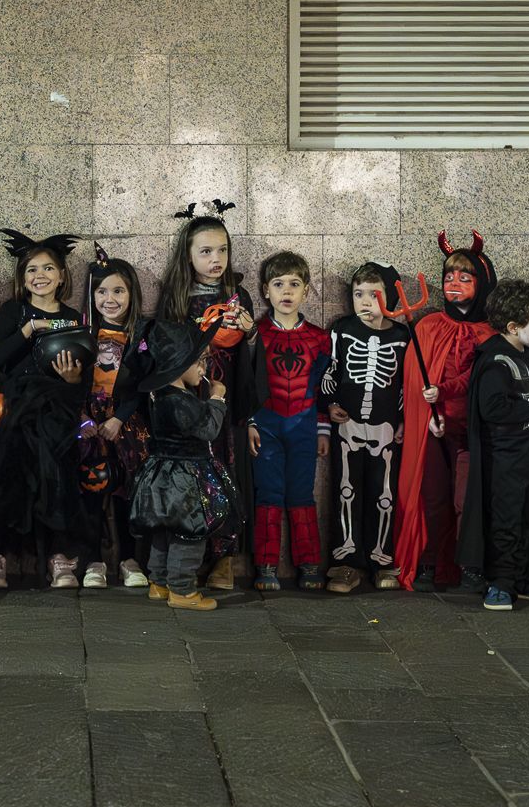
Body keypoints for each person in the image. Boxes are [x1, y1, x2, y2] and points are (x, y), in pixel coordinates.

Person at [156, 202, 255, 587]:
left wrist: (250, 334)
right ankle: (190, 552)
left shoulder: (237, 295)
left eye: (222, 250)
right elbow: (165, 350)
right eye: (206, 251)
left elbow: (248, 357)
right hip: (190, 400)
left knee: (225, 472)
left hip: (224, 398)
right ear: (189, 255)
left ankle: (224, 557)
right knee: (194, 476)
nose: (216, 259)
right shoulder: (177, 297)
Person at [0, 228, 90, 588]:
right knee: (10, 480)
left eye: (48, 268)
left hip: (57, 412)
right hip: (15, 410)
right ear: (22, 278)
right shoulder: (14, 311)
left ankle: (58, 558)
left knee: (56, 481)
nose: (40, 276)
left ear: (62, 275)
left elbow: (82, 375)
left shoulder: (73, 316)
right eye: (32, 270)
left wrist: (73, 379)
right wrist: (29, 328)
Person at [396, 230, 499, 592]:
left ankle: (468, 563)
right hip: (432, 431)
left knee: (465, 499)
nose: (453, 284)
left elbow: (481, 378)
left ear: (482, 282)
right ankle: (429, 561)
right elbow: (413, 379)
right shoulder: (428, 326)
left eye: (464, 278)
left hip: (470, 431)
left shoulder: (490, 334)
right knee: (433, 496)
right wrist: (426, 412)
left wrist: (444, 391)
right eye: (448, 277)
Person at [459, 279, 529, 611]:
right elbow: (493, 409)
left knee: (525, 519)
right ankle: (500, 583)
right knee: (505, 521)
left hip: (526, 454)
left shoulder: (527, 356)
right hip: (503, 458)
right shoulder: (495, 360)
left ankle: (519, 577)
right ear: (514, 326)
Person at [129, 317, 232, 613]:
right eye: (200, 361)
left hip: (161, 474)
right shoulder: (180, 401)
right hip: (184, 479)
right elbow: (208, 429)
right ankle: (183, 590)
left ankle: (159, 583)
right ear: (180, 363)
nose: (204, 368)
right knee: (189, 532)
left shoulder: (160, 395)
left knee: (164, 531)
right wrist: (217, 400)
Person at [242, 250, 330, 591]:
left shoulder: (319, 338)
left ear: (306, 291)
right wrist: (249, 421)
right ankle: (265, 566)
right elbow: (246, 382)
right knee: (269, 493)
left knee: (301, 494)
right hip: (266, 424)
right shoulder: (256, 334)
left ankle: (308, 563)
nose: (287, 292)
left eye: (295, 284)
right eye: (279, 285)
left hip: (305, 425)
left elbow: (324, 388)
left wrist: (323, 427)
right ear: (266, 290)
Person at [322, 263, 411, 593]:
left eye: (374, 295)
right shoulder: (342, 330)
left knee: (384, 492)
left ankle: (382, 559)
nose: (365, 301)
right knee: (346, 489)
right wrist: (329, 405)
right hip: (348, 426)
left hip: (386, 427)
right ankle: (346, 561)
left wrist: (404, 419)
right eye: (358, 294)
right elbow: (330, 372)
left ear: (390, 297)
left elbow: (405, 383)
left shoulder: (402, 337)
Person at [81, 248, 153, 588]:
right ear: (91, 295)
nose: (110, 299)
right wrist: (84, 420)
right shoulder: (83, 335)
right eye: (102, 291)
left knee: (127, 492)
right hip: (88, 426)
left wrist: (120, 418)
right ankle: (93, 561)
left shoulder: (141, 335)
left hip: (126, 426)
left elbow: (144, 383)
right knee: (91, 491)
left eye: (118, 291)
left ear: (131, 294)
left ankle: (129, 558)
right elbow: (70, 385)